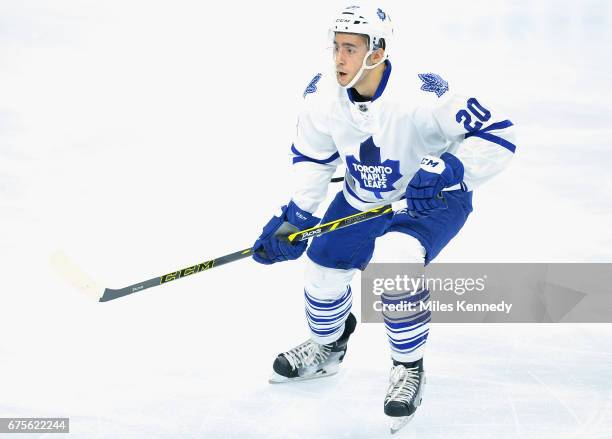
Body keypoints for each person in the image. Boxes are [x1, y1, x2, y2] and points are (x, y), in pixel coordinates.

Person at [252, 4, 516, 433]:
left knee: (394, 262)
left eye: (351, 49)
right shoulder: (322, 96)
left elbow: (498, 134)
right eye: (336, 47)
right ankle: (328, 347)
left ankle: (409, 369)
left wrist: (449, 168)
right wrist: (296, 216)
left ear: (377, 52)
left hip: (428, 200)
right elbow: (313, 156)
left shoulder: (424, 94)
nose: (339, 59)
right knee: (321, 270)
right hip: (362, 197)